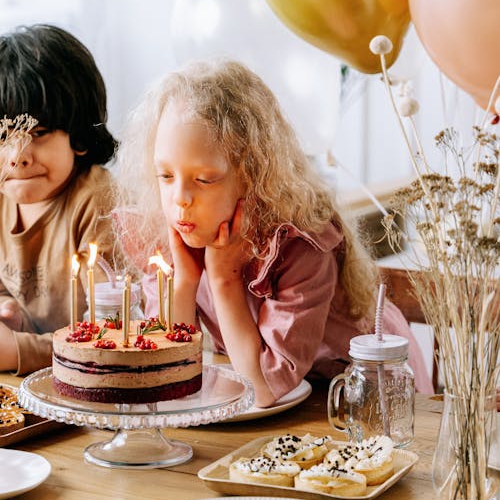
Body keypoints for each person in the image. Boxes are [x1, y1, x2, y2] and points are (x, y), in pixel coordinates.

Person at [116, 59, 433, 406]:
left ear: (251, 174)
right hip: (288, 405)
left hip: (366, 396)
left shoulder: (301, 246)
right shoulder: (177, 236)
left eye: (204, 179)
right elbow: (166, 373)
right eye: (165, 176)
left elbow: (263, 389)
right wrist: (184, 282)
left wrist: (224, 279)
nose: (180, 199)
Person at [0, 24, 120, 374]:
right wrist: (9, 310)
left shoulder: (96, 200)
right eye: (2, 134)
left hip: (96, 392)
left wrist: (18, 351)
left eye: (38, 133)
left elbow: (114, 335)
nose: (16, 156)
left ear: (79, 135)